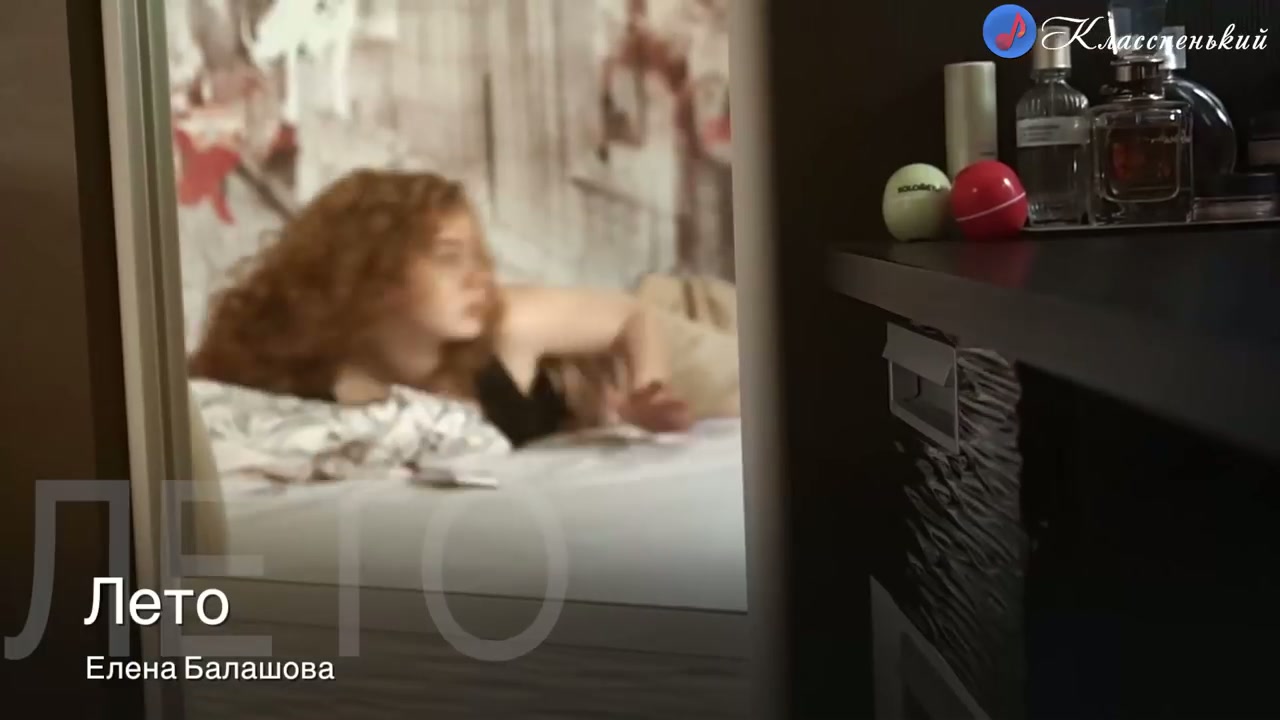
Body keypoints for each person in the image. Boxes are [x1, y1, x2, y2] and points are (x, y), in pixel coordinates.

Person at [188, 168, 695, 446]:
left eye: (480, 256)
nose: (480, 276)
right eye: (449, 258)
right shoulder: (303, 373)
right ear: (372, 271)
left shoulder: (504, 326)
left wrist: (649, 391)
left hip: (664, 328)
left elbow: (634, 316)